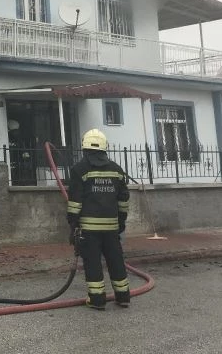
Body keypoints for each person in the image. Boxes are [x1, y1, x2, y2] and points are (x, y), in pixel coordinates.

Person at [67, 128, 130, 310]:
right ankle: (123, 296)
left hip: (89, 229)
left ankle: (97, 300)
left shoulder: (79, 169)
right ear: (104, 148)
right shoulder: (117, 171)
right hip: (112, 228)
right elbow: (123, 200)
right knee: (116, 260)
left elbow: (75, 202)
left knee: (93, 263)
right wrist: (121, 222)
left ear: (85, 148)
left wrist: (73, 223)